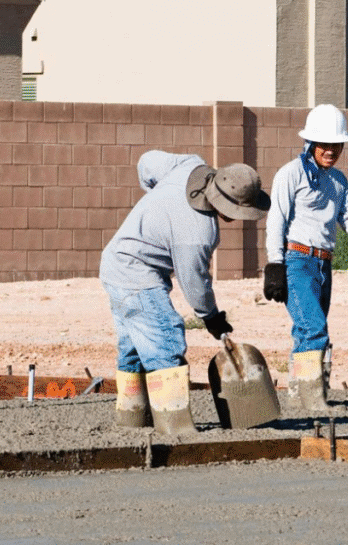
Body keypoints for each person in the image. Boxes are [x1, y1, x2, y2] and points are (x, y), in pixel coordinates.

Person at [100, 150, 270, 435]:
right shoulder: (198, 231)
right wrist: (211, 317)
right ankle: (175, 427)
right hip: (135, 272)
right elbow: (194, 283)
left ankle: (132, 419)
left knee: (134, 347)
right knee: (165, 338)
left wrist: (158, 203)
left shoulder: (189, 166)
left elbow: (147, 161)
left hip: (114, 264)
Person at [263, 104, 348, 410]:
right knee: (314, 329)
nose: (331, 150)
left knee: (305, 331)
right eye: (325, 144)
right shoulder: (290, 174)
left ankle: (299, 398)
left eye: (337, 145)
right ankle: (314, 402)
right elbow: (276, 220)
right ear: (311, 143)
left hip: (324, 264)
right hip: (296, 261)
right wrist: (274, 264)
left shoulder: (338, 180)